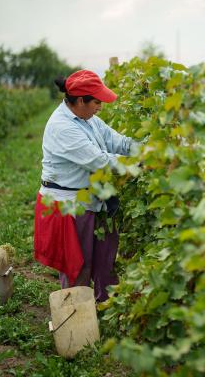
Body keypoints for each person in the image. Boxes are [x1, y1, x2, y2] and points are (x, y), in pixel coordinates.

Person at [34, 70, 138, 302]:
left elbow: (117, 142)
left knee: (106, 262)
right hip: (70, 206)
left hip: (97, 198)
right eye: (97, 101)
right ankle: (75, 327)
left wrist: (148, 148)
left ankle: (106, 312)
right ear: (80, 100)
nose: (100, 106)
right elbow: (100, 160)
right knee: (77, 268)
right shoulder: (62, 127)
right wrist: (144, 162)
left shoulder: (88, 118)